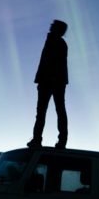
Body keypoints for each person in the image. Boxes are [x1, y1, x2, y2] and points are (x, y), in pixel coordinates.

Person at [27, 19, 68, 149]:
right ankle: (37, 139)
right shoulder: (52, 41)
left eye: (53, 25)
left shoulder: (58, 43)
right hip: (49, 81)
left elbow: (56, 63)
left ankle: (60, 141)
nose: (50, 26)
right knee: (43, 112)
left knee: (57, 110)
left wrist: (50, 79)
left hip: (53, 82)